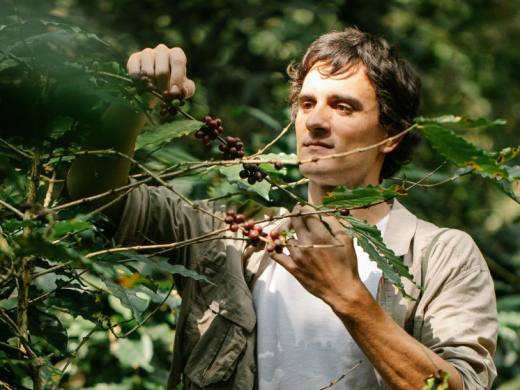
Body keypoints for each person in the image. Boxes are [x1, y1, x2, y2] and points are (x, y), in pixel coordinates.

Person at [67, 28, 498, 390]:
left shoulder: (441, 256)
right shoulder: (232, 239)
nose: (315, 120)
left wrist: (347, 296)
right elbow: (96, 197)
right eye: (308, 104)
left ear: (391, 137)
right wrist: (132, 103)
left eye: (343, 106)